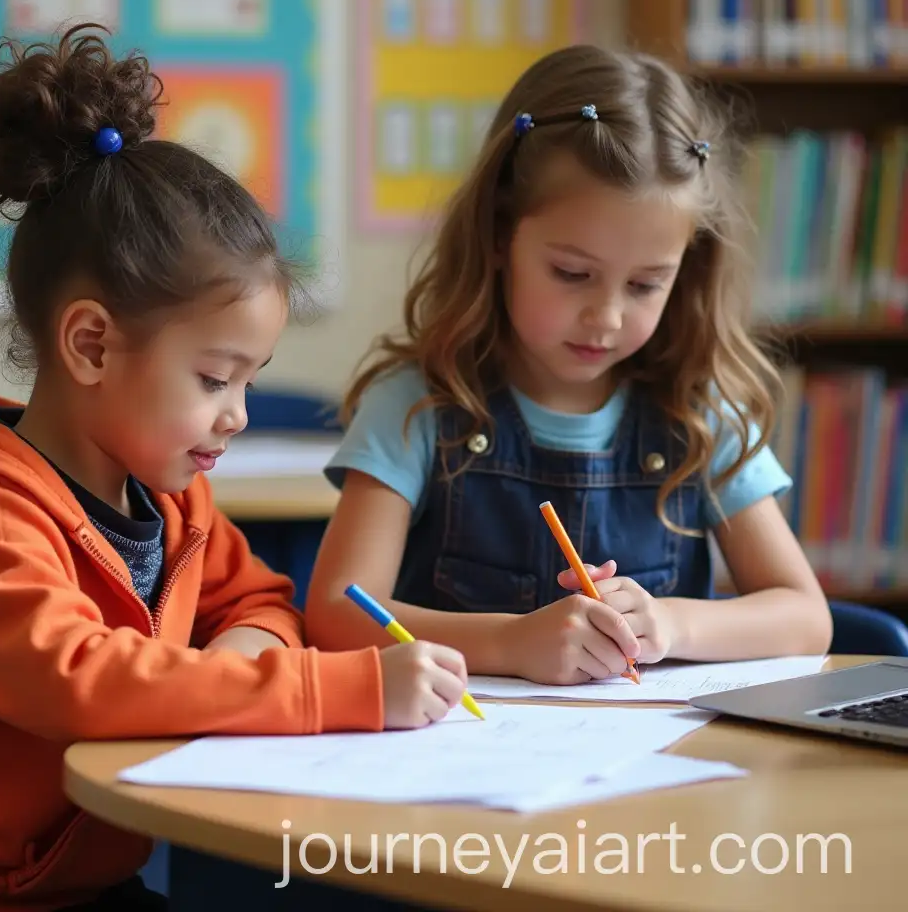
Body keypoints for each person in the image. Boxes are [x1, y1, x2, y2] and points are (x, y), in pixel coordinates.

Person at [0, 24, 468, 911]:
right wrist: (336, 686)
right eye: (212, 378)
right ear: (91, 345)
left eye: (249, 381)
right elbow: (85, 679)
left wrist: (242, 654)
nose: (234, 413)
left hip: (93, 879)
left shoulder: (170, 494)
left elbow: (263, 597)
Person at [304, 43, 832, 686]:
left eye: (644, 285)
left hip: (649, 772)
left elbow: (807, 617)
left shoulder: (696, 414)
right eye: (572, 274)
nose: (606, 316)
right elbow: (335, 614)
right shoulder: (415, 404)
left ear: (685, 273)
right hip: (450, 762)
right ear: (500, 238)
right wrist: (509, 642)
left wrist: (672, 624)